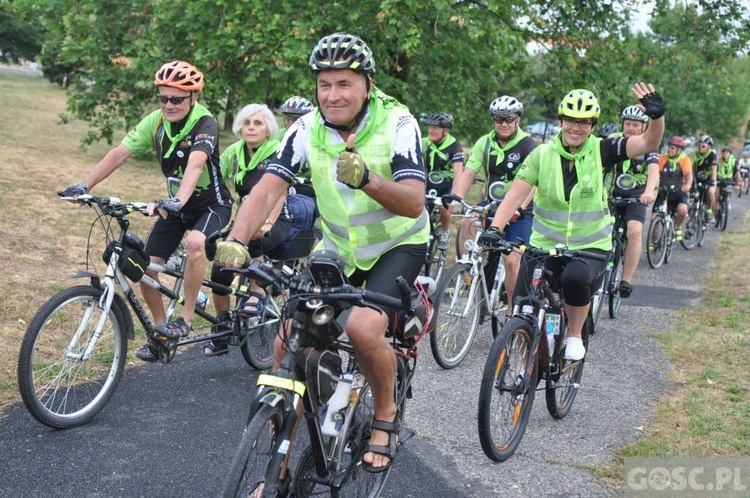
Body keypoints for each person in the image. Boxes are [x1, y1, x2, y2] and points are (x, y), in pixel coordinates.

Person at [213, 32, 427, 475]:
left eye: (344, 84)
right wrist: (238, 237)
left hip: (397, 243)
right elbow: (269, 185)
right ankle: (279, 470)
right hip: (339, 248)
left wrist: (367, 177)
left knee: (365, 329)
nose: (333, 95)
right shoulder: (306, 127)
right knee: (288, 337)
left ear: (367, 83)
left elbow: (413, 201)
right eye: (324, 85)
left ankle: (385, 414)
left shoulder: (399, 122)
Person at [477, 84, 665, 361]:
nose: (576, 127)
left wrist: (657, 118)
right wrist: (495, 227)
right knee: (523, 304)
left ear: (592, 125)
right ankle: (523, 360)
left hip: (589, 245)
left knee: (574, 278)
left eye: (584, 122)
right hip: (544, 244)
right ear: (561, 121)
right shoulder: (542, 154)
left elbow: (648, 143)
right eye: (570, 120)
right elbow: (515, 194)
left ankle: (575, 333)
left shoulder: (605, 149)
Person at [61, 61, 233, 362]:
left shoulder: (204, 122)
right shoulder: (156, 122)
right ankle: (160, 332)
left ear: (193, 98)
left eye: (176, 99)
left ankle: (187, 318)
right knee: (144, 268)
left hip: (211, 205)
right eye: (163, 98)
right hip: (174, 207)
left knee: (195, 244)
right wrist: (83, 185)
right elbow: (120, 153)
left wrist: (177, 199)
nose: (168, 104)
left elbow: (195, 164)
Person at [204, 103, 306, 357]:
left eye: (258, 123)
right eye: (247, 123)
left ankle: (258, 292)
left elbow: (279, 192)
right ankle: (223, 327)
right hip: (246, 219)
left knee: (249, 237)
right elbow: (214, 174)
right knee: (220, 263)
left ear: (269, 130)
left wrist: (268, 222)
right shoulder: (235, 153)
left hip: (278, 220)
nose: (251, 127)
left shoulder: (276, 152)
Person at [443, 95, 537, 323]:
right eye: (498, 119)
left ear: (518, 120)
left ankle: (513, 309)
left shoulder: (529, 145)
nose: (503, 124)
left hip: (520, 210)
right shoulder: (484, 142)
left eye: (508, 119)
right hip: (492, 205)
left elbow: (533, 183)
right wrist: (458, 197)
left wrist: (521, 207)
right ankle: (469, 275)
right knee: (467, 223)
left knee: (512, 260)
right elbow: (469, 171)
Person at [607, 105, 659, 296]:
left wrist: (648, 191)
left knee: (635, 232)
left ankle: (625, 280)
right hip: (610, 196)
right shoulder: (613, 141)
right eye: (627, 123)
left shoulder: (648, 145)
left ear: (643, 127)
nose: (630, 127)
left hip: (636, 198)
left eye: (635, 124)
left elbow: (654, 171)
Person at [422, 111, 464, 249]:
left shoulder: (454, 145)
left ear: (445, 131)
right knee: (419, 211)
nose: (431, 130)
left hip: (447, 186)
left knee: (443, 207)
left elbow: (458, 172)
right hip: (430, 185)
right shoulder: (424, 143)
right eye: (430, 126)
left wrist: (454, 195)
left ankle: (446, 231)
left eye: (436, 127)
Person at [654, 136, 692, 242]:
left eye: (672, 148)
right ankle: (652, 242)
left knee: (683, 209)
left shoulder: (685, 159)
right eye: (669, 147)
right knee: (654, 216)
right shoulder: (663, 159)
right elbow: (656, 174)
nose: (669, 150)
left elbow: (689, 175)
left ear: (679, 150)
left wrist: (687, 185)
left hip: (678, 191)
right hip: (663, 191)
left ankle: (678, 227)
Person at [278, 96, 316, 199]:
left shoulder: (315, 139)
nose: (290, 122)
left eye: (296, 119)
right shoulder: (278, 136)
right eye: (287, 118)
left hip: (308, 187)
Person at [689, 134, 718, 222]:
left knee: (710, 192)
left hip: (709, 179)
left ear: (709, 147)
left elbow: (714, 169)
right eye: (699, 145)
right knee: (690, 195)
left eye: (703, 146)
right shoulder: (694, 154)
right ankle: (690, 219)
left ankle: (708, 210)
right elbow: (689, 167)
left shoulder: (712, 155)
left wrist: (712, 182)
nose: (700, 148)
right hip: (697, 178)